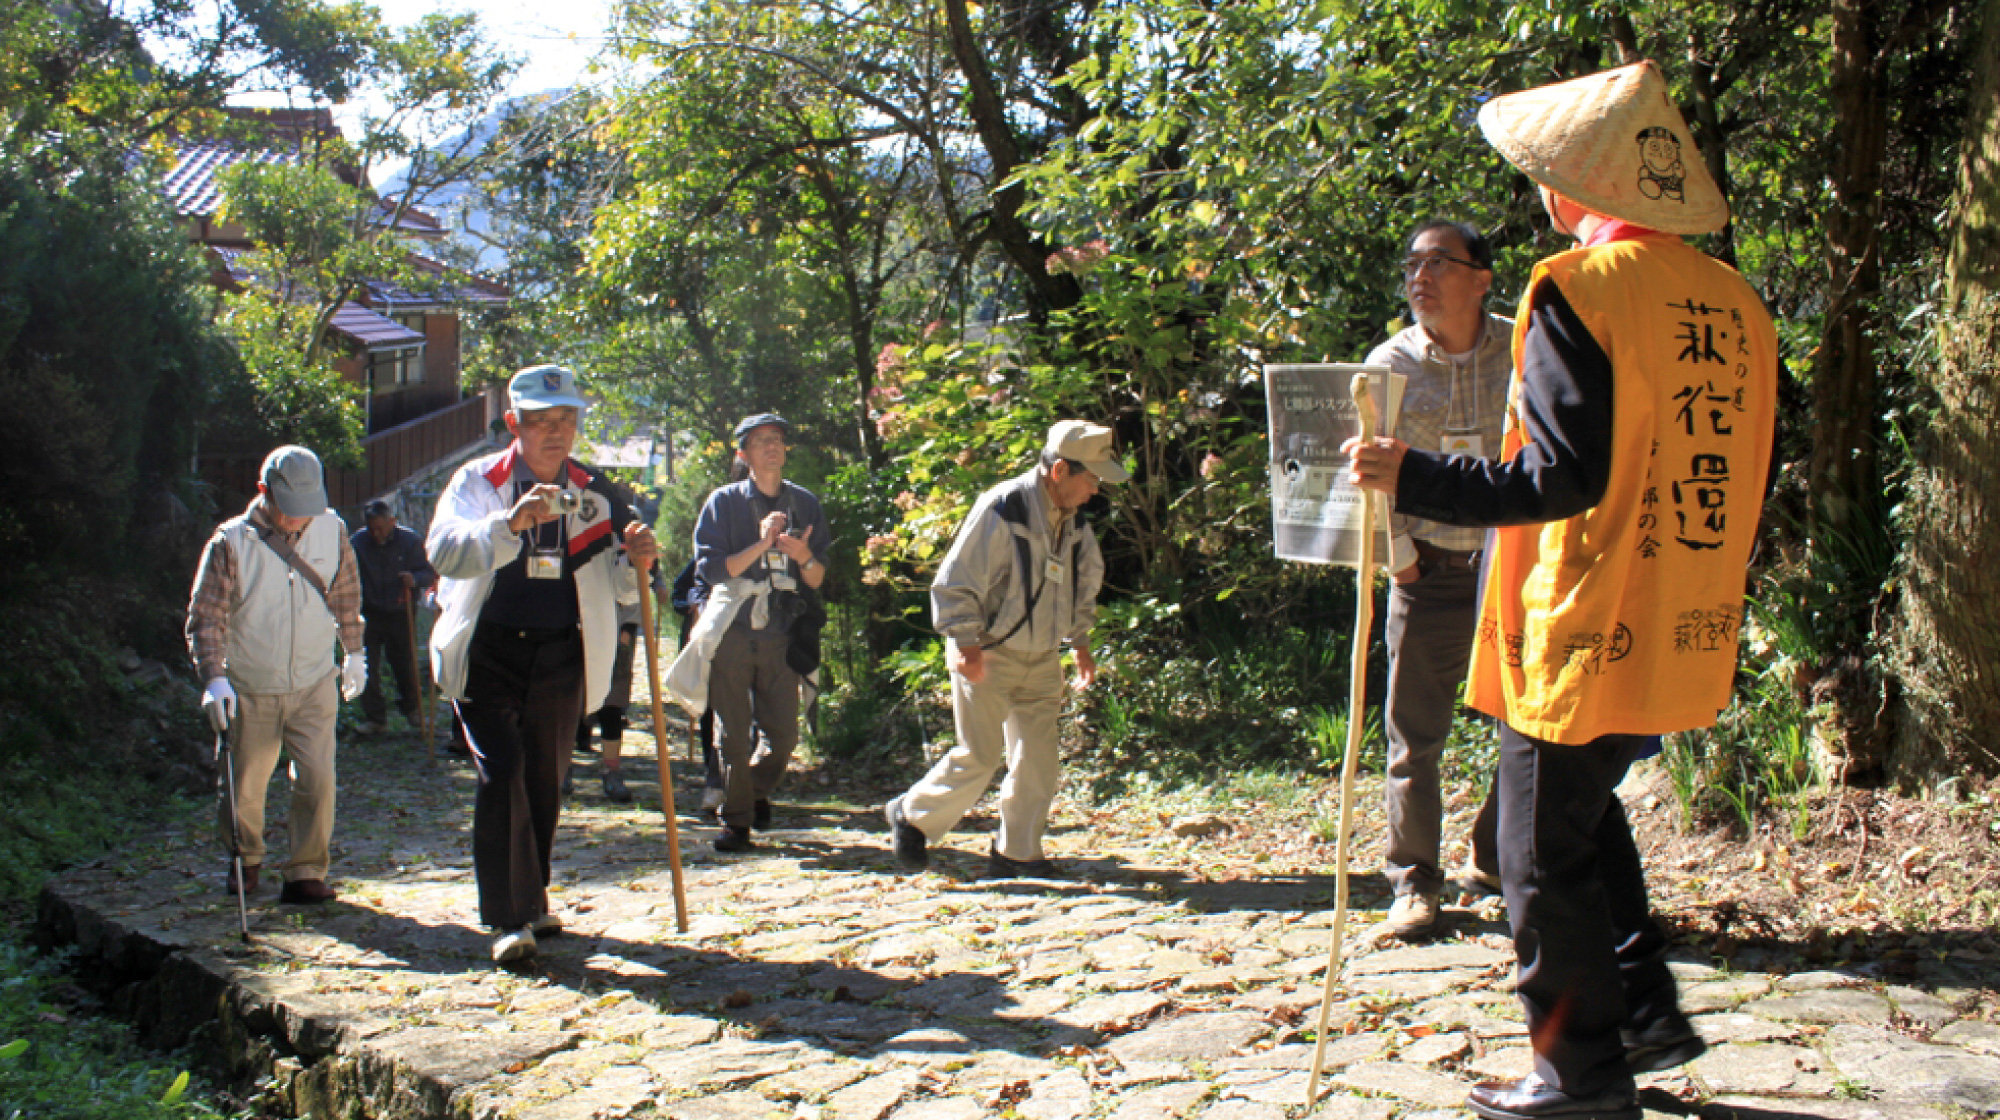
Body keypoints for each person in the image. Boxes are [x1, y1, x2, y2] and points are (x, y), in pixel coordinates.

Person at [1344, 61, 1777, 1120]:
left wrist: (1415, 473)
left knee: (1530, 851)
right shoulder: (1731, 300)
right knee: (1573, 824)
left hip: (1586, 618)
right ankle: (1640, 1013)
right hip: (1686, 613)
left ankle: (1578, 1076)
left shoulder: (1576, 289)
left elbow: (1558, 477)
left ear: (1573, 182)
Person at [427, 364, 659, 963]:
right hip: (488, 648)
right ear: (514, 423)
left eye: (566, 420)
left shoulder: (596, 493)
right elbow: (443, 550)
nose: (556, 432)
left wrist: (638, 562)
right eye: (540, 421)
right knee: (500, 772)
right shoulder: (478, 482)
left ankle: (531, 899)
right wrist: (511, 523)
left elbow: (619, 587)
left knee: (544, 782)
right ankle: (508, 918)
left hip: (561, 652)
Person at [884, 420, 1120, 879]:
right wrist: (966, 643)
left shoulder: (1076, 521)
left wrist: (1082, 644)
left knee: (1039, 760)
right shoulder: (1002, 507)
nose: (1095, 489)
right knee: (981, 754)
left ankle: (1018, 853)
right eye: (1090, 478)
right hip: (987, 654)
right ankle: (911, 815)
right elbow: (955, 582)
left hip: (1043, 658)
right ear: (1058, 472)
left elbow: (1084, 584)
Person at [1368, 219, 1512, 940]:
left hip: (1511, 570)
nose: (1420, 276)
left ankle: (1491, 859)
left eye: (1439, 263)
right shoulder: (1389, 363)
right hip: (1428, 568)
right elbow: (1364, 477)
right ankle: (1415, 883)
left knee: (1527, 728)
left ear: (1480, 278)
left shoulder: (1524, 348)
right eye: (1412, 263)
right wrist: (1404, 560)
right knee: (1413, 737)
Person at [186, 445, 368, 905]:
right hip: (251, 682)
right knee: (245, 781)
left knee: (318, 778)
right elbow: (206, 618)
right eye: (290, 511)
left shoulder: (333, 530)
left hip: (313, 680)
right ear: (263, 492)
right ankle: (245, 860)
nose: (298, 520)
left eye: (307, 510)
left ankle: (306, 870)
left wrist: (355, 653)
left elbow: (345, 594)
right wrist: (214, 678)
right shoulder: (230, 542)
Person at [689, 414, 829, 853]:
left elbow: (818, 578)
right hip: (732, 630)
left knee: (784, 736)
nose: (771, 447)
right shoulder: (723, 503)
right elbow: (712, 571)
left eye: (777, 440)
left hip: (782, 633)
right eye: (760, 441)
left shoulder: (805, 504)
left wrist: (803, 555)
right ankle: (737, 821)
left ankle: (751, 792)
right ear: (742, 454)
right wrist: (762, 544)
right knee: (731, 734)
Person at [350, 499, 438, 736]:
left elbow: (428, 572)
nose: (376, 533)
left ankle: (413, 711)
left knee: (405, 664)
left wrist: (415, 579)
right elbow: (346, 575)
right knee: (367, 666)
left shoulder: (410, 541)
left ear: (392, 522)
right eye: (372, 528)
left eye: (380, 527)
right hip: (369, 612)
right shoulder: (357, 543)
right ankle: (376, 719)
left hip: (401, 611)